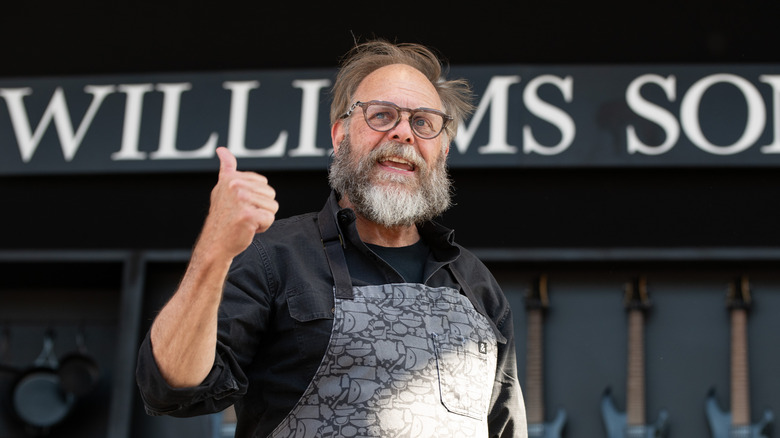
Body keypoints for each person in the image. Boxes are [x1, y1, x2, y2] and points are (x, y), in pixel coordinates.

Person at [136, 39, 528, 438]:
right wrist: (214, 251)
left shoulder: (476, 284)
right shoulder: (274, 256)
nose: (404, 134)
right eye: (382, 115)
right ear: (340, 135)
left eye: (423, 122)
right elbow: (170, 388)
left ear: (442, 152)